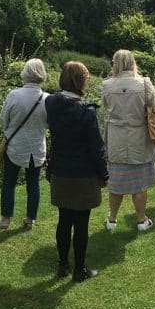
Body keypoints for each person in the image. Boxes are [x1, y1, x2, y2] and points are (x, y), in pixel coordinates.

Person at [46, 61, 108, 282]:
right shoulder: (86, 111)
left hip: (60, 169)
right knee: (81, 223)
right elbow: (96, 147)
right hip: (82, 173)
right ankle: (79, 270)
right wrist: (104, 174)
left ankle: (63, 265)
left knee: (64, 219)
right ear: (80, 81)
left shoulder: (51, 103)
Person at [101, 49, 155, 231]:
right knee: (140, 184)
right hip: (140, 139)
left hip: (116, 139)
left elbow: (106, 106)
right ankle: (141, 220)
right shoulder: (144, 83)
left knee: (116, 182)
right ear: (133, 62)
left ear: (115, 63)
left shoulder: (107, 85)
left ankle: (111, 220)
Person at [0, 58, 48, 227]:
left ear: (25, 73)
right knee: (33, 184)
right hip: (37, 146)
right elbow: (49, 124)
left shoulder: (14, 95)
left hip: (15, 145)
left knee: (9, 182)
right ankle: (30, 219)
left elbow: (3, 121)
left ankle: (5, 219)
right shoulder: (47, 98)